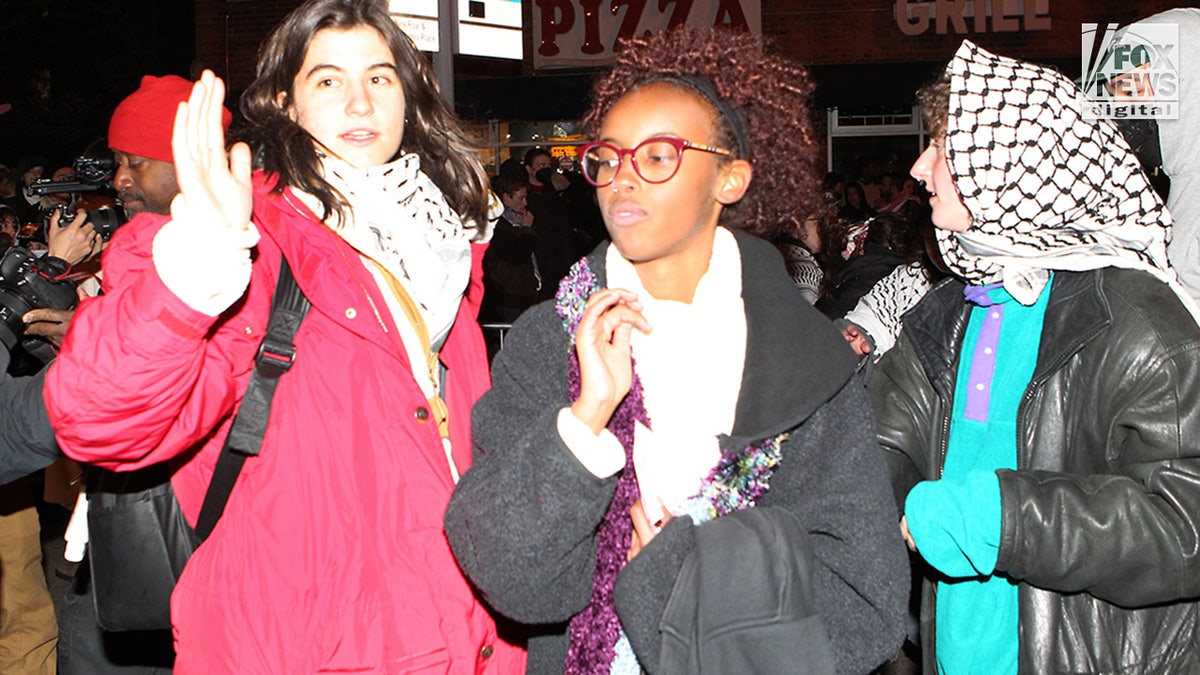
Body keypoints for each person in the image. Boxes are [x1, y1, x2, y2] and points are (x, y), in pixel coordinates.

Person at [44, 0, 524, 671]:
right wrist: (194, 274)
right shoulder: (252, 244)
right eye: (328, 81)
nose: (360, 101)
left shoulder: (447, 249)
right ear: (282, 101)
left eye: (380, 78)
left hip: (460, 633)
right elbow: (100, 420)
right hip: (299, 643)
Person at [446, 25, 908, 674]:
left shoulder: (809, 364)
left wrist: (693, 574)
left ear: (731, 177)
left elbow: (869, 606)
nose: (623, 181)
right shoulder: (553, 339)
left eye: (658, 156)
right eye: (608, 158)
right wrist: (583, 421)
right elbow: (512, 579)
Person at [871, 40, 1200, 674]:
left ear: (1008, 165)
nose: (917, 168)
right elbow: (879, 443)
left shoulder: (1141, 324)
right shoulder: (947, 315)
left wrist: (999, 517)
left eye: (940, 147)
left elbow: (1183, 527)